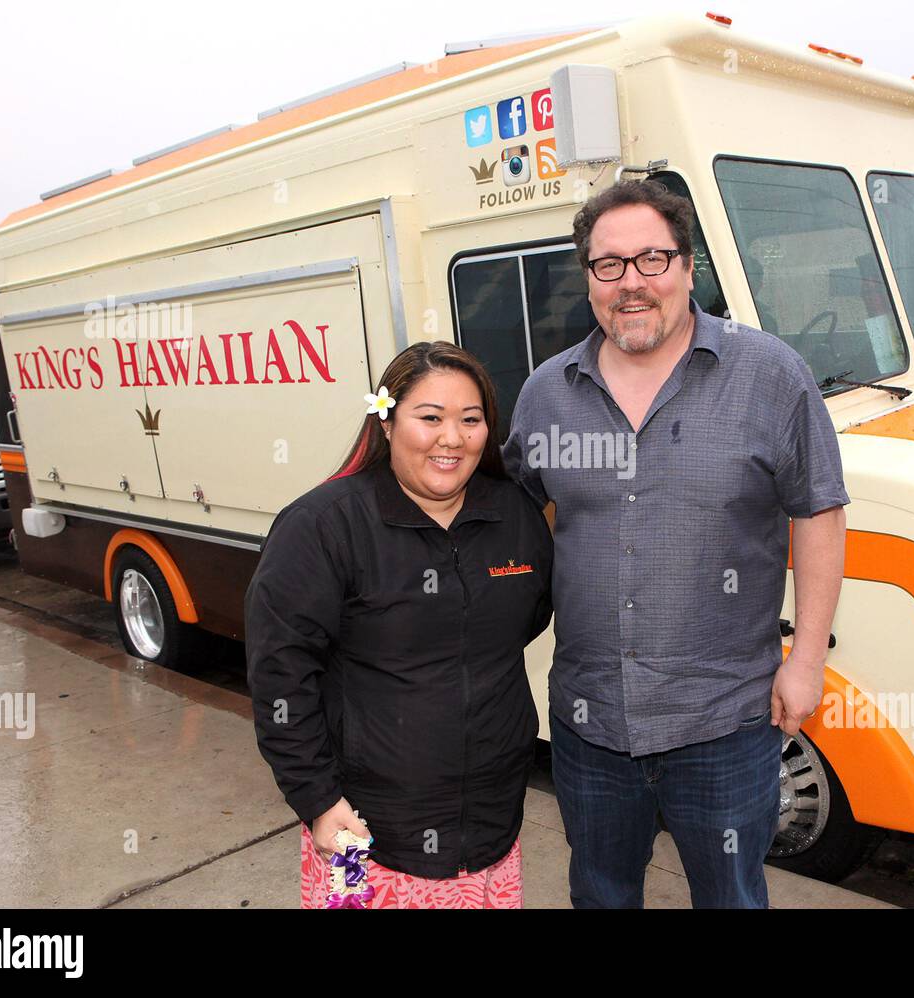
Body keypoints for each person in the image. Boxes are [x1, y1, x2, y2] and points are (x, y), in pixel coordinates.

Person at [503, 180, 849, 908]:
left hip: (724, 723)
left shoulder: (770, 377)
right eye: (609, 264)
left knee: (730, 897)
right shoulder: (546, 393)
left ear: (689, 268)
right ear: (589, 278)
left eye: (652, 259)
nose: (632, 282)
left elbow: (818, 511)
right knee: (600, 894)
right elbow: (511, 517)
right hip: (590, 724)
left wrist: (807, 659)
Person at [245, 341, 553, 908]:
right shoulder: (322, 525)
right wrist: (316, 798)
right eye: (429, 418)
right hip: (365, 832)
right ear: (386, 423)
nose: (452, 438)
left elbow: (523, 621)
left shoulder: (514, 516)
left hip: (491, 828)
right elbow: (280, 673)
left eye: (471, 419)